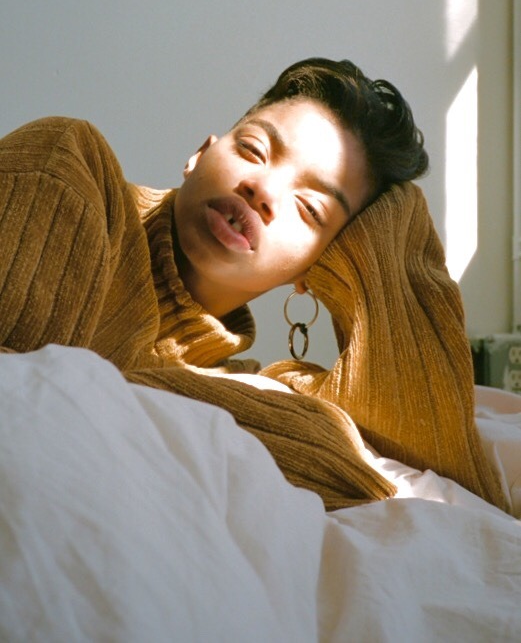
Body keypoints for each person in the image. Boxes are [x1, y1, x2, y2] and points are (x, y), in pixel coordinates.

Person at [0, 57, 509, 513]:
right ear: (200, 154)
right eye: (254, 149)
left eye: (309, 208)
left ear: (318, 268)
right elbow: (21, 400)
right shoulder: (69, 164)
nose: (263, 189)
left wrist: (388, 241)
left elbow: (414, 466)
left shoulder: (244, 389)